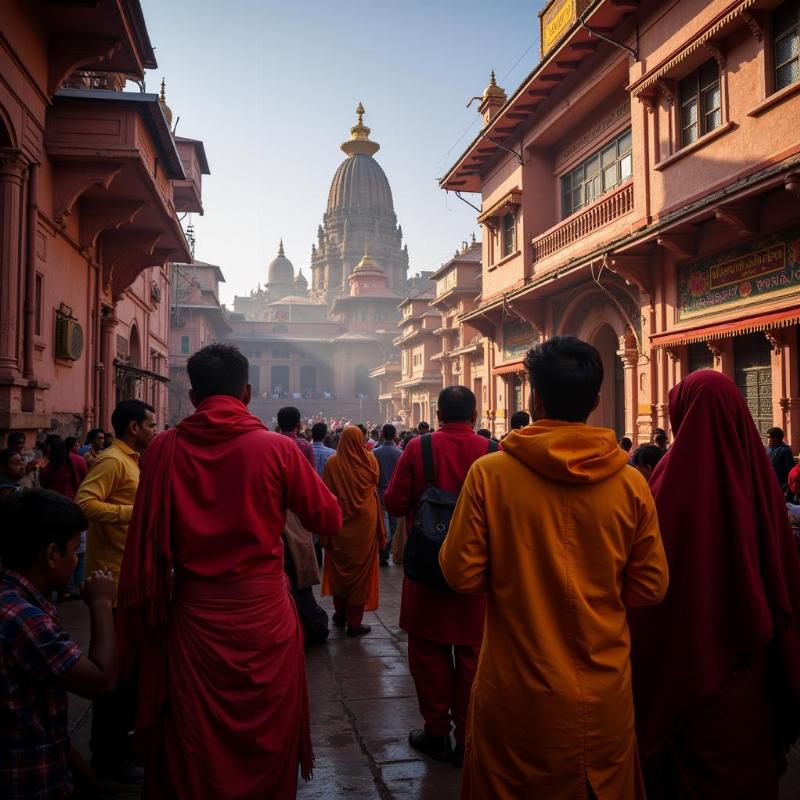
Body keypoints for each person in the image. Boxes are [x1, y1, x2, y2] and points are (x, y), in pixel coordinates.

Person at [440, 337, 669, 798]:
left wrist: (517, 573)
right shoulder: (630, 483)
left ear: (534, 399)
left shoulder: (491, 474)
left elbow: (460, 575)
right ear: (597, 401)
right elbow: (650, 587)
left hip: (516, 693)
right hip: (602, 694)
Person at [116, 344, 341, 799]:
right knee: (267, 736)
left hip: (194, 617)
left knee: (193, 740)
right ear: (248, 391)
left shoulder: (163, 449)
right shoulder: (277, 448)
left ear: (194, 396)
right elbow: (329, 519)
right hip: (264, 617)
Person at [629, 370, 800, 800]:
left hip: (689, 656)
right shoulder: (758, 473)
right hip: (751, 651)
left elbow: (652, 580)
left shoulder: (668, 479)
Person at [384, 386, 497, 766]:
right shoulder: (493, 452)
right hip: (476, 572)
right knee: (471, 655)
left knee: (428, 652)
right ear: (475, 414)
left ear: (437, 412)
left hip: (427, 569)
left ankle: (436, 733)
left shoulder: (419, 448)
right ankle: (468, 737)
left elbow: (396, 503)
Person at [0, 490, 117, 800]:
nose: (77, 558)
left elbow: (41, 714)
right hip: (30, 780)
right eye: (74, 549)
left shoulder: (17, 602)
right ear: (52, 555)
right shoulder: (23, 618)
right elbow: (102, 681)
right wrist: (103, 605)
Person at [74, 398, 156, 782]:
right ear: (133, 427)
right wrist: (131, 514)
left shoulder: (130, 461)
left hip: (129, 579)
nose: (154, 431)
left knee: (129, 674)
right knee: (115, 674)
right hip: (114, 583)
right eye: (150, 424)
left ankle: (120, 745)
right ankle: (106, 753)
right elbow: (84, 503)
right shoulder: (112, 460)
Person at [321, 426, 386, 637]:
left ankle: (340, 615)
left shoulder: (332, 463)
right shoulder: (369, 460)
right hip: (364, 524)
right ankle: (354, 623)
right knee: (361, 572)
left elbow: (327, 492)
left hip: (339, 523)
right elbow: (375, 481)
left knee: (339, 569)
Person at [40, 435, 89, 599]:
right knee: (79, 551)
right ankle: (76, 585)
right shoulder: (77, 461)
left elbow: (43, 484)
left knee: (60, 549)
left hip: (54, 511)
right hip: (75, 508)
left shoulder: (48, 465)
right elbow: (85, 481)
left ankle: (62, 586)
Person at [374, 424, 402, 566]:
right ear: (394, 434)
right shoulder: (400, 453)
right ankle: (393, 549)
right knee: (394, 521)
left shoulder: (375, 453)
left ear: (382, 435)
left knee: (383, 522)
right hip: (395, 491)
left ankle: (384, 551)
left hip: (379, 492)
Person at [767, 426, 795, 496]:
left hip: (780, 485)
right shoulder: (769, 449)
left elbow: (790, 470)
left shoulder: (785, 450)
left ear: (776, 439)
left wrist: (785, 486)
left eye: (769, 437)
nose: (767, 440)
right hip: (769, 483)